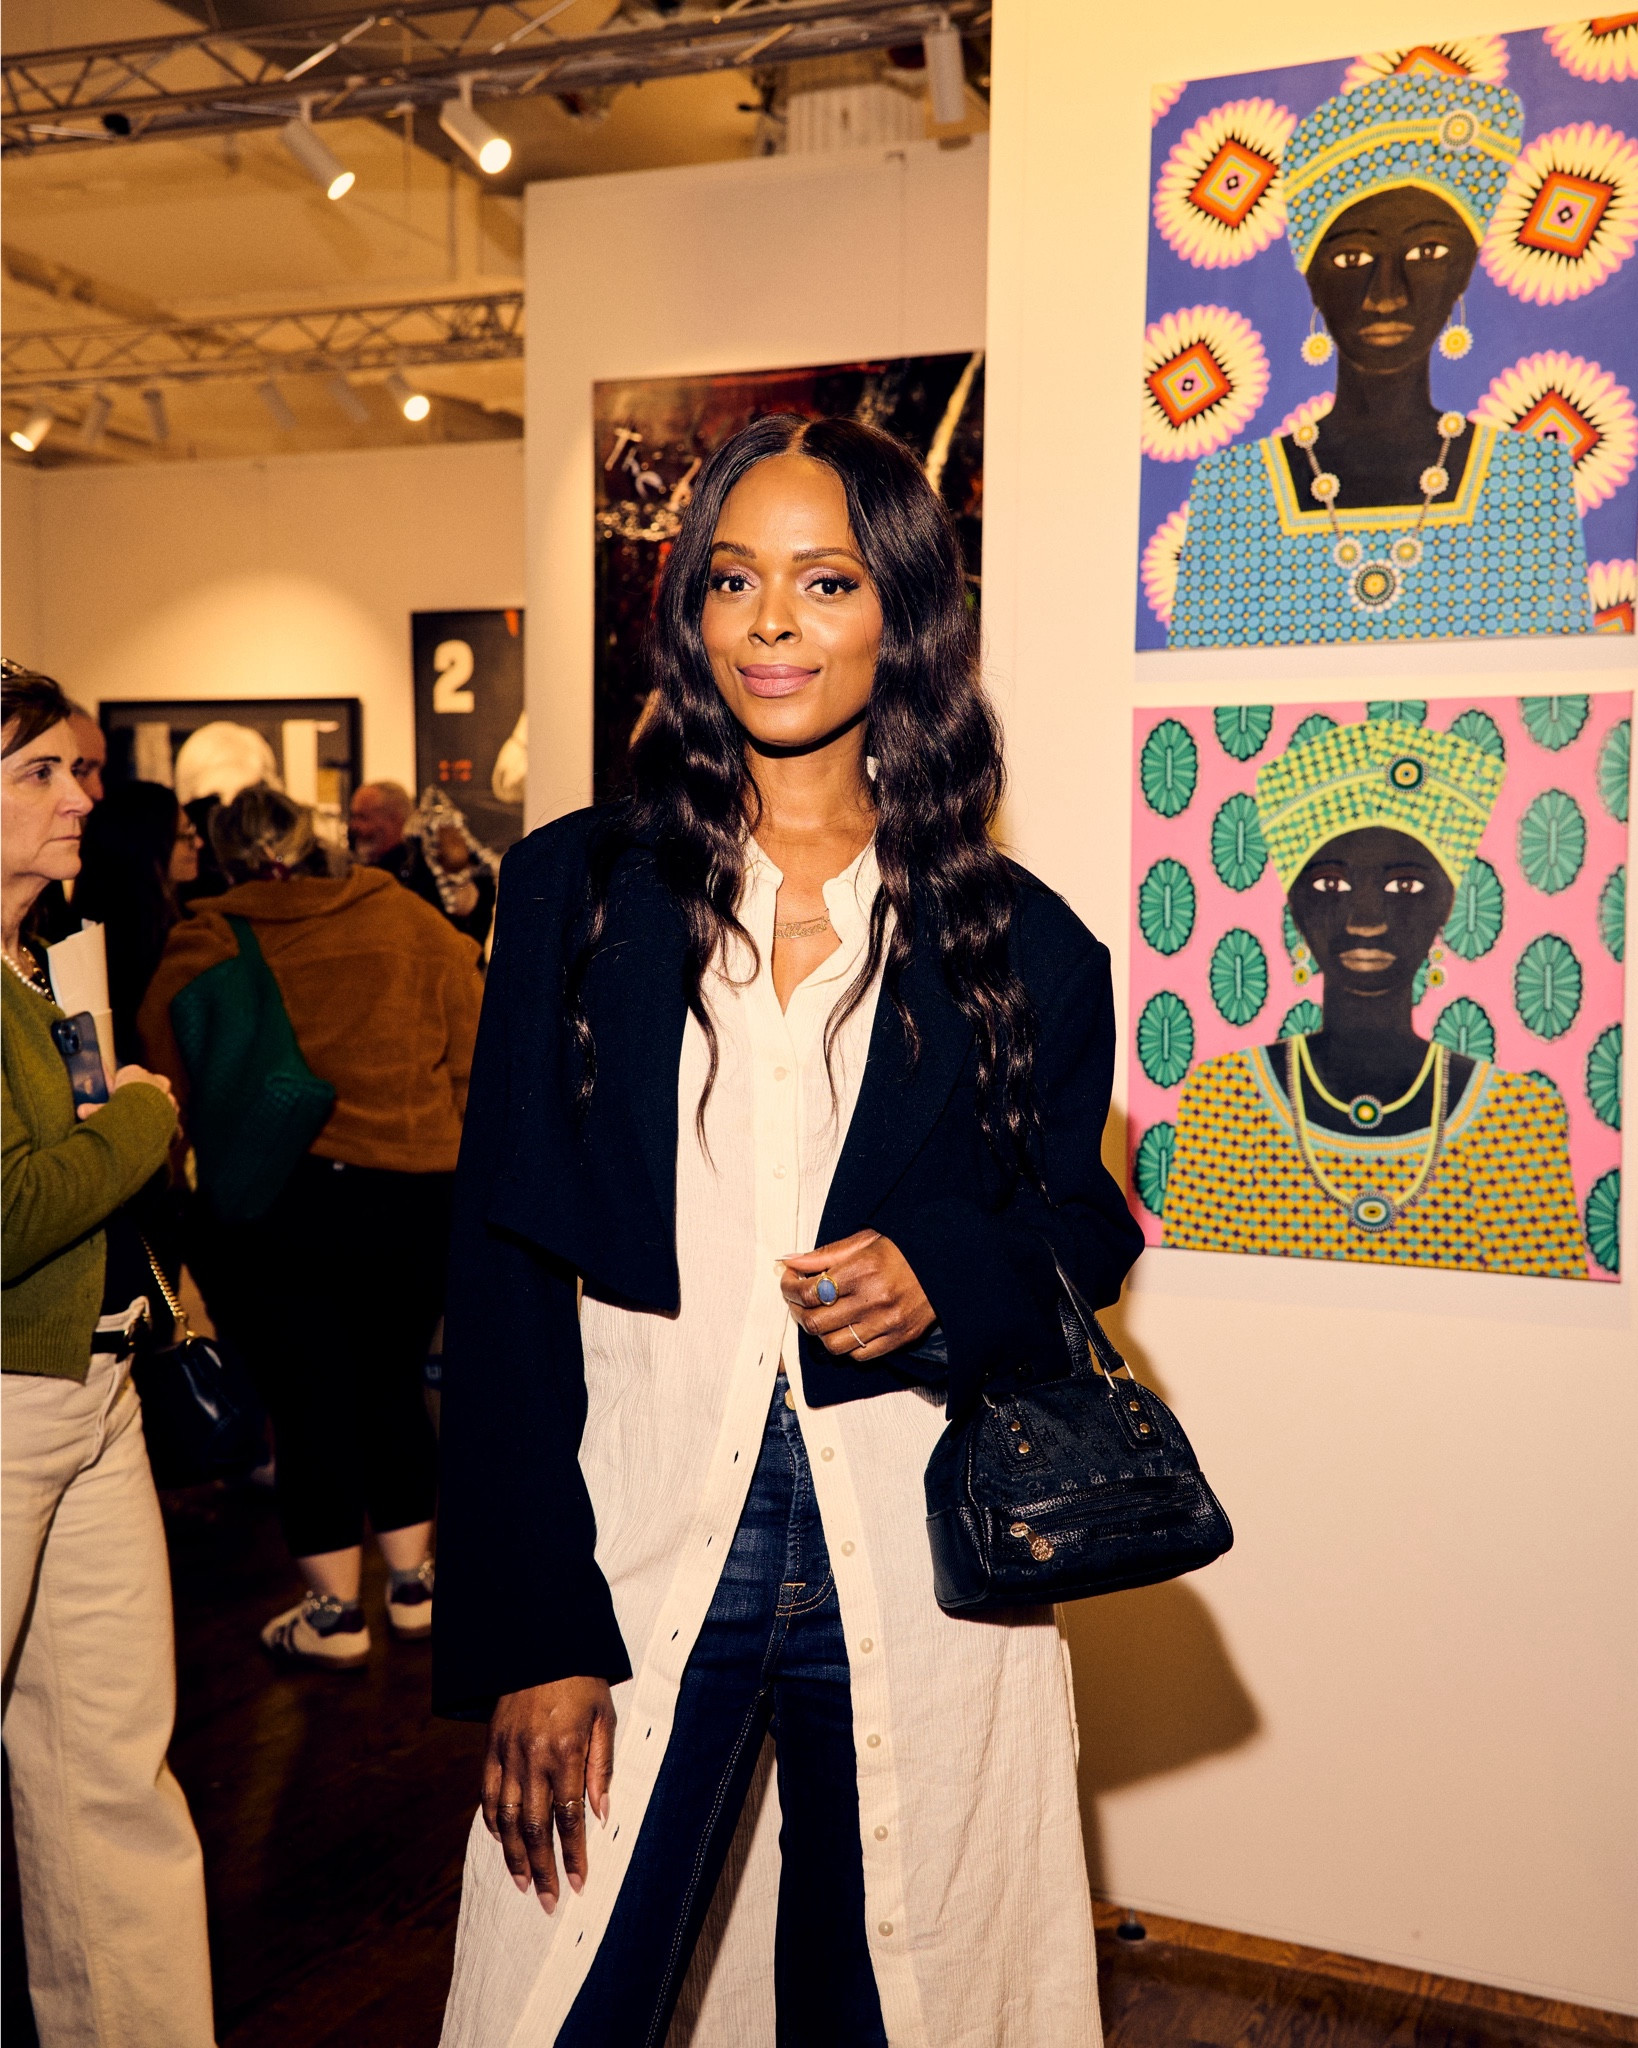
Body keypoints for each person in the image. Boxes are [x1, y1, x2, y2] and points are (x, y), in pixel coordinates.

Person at [434, 417, 1144, 2046]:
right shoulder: (580, 892)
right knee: (564, 1997)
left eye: (823, 580)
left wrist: (938, 1274)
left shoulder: (1013, 939)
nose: (771, 622)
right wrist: (532, 1626)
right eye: (733, 580)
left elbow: (1078, 1227)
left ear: (899, 612)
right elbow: (502, 1276)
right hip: (636, 1542)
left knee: (889, 1992)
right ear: (688, 614)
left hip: (907, 1559)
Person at [139, 784, 485, 1668]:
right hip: (413, 1197)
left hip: (276, 1207)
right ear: (317, 839)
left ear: (225, 852)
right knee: (393, 1384)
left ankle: (334, 1615)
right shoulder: (406, 919)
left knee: (309, 1404)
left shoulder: (205, 938)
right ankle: (416, 1589)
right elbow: (476, 1051)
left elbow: (163, 1080)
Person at [1, 663, 217, 2048]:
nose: (84, 793)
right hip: (12, 1401)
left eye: (77, 771)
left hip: (97, 1384)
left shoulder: (33, 956)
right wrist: (141, 1119)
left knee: (110, 1782)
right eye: (40, 774)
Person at [1170, 75, 1591, 647]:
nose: (1386, 293)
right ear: (1310, 278)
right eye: (1351, 256)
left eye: (1427, 253)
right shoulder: (1233, 493)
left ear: (1466, 270)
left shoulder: (1529, 481)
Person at [1162, 716, 1586, 1275]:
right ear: (1294, 905)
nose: (1365, 920)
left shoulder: (1517, 1118)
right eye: (1331, 885)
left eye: (1405, 886)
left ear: (1447, 906)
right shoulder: (1225, 1102)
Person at [70, 780, 201, 1065]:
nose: (198, 843)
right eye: (185, 834)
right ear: (149, 844)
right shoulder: (126, 943)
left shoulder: (164, 920)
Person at [350, 779, 497, 947]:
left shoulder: (425, 869)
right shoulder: (370, 870)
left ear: (394, 818)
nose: (354, 826)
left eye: (362, 817)